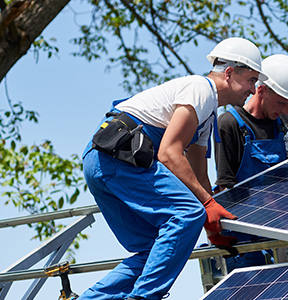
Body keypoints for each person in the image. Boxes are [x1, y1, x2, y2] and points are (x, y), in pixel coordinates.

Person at [79, 37, 266, 300]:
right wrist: (204, 207)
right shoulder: (200, 89)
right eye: (251, 80)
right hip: (119, 159)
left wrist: (211, 225)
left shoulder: (207, 114)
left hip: (102, 161)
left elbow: (198, 175)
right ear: (229, 73)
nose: (253, 88)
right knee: (186, 213)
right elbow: (169, 153)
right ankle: (145, 298)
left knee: (157, 249)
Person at [213, 54, 288, 270]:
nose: (285, 110)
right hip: (245, 242)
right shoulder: (229, 124)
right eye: (281, 102)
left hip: (281, 233)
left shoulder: (287, 122)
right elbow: (225, 188)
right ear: (261, 90)